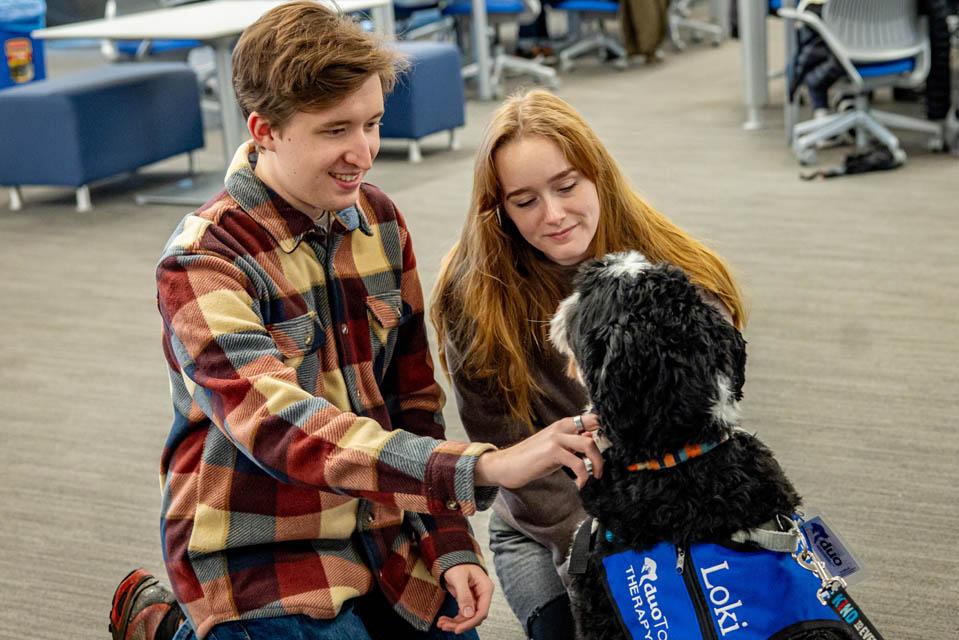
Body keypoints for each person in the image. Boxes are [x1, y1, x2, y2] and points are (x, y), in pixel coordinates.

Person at [107, 5, 604, 640]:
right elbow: (283, 430)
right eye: (336, 129)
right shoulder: (201, 261)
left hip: (384, 533)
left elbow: (412, 400)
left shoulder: (380, 221)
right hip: (263, 555)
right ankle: (166, 626)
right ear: (265, 131)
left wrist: (450, 543)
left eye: (372, 123)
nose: (363, 151)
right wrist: (484, 468)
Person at [430, 89, 746, 639]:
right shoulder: (474, 293)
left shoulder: (675, 271)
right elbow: (513, 459)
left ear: (597, 174)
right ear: (499, 209)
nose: (553, 216)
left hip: (667, 504)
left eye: (567, 186)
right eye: (524, 201)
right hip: (543, 520)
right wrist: (603, 559)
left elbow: (707, 422)